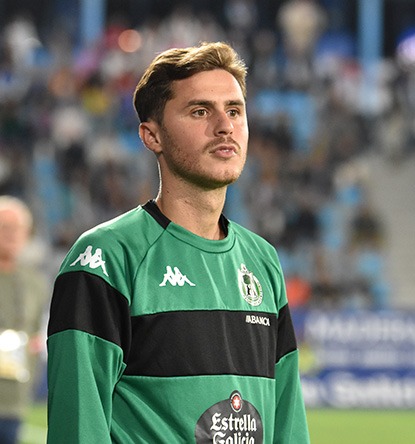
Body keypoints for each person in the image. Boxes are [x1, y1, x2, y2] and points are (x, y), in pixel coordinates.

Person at [47, 41, 310, 443]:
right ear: (152, 135)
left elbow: (288, 424)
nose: (224, 126)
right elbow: (77, 430)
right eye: (200, 111)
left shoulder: (262, 260)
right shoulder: (105, 259)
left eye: (234, 110)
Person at [0, 196, 48, 444]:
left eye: (17, 228)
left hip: (15, 400)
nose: (11, 234)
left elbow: (35, 337)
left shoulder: (35, 283)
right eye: (4, 227)